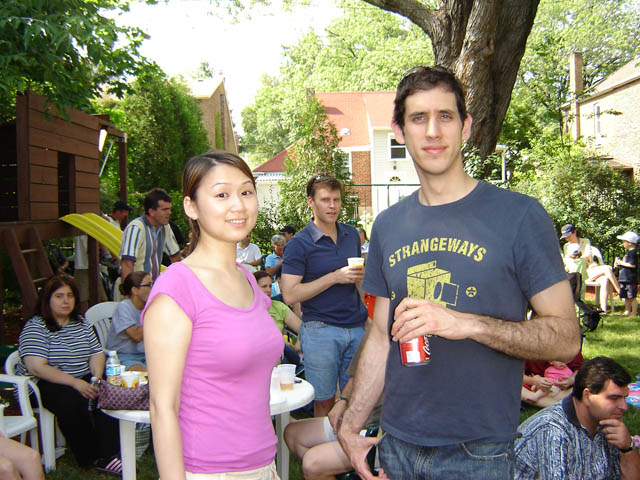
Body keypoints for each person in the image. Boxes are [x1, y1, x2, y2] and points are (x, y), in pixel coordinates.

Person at [337, 65, 580, 479]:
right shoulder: (388, 226)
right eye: (419, 118)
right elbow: (380, 335)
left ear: (465, 127)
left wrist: (467, 324)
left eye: (445, 117)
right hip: (396, 444)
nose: (433, 131)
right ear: (399, 131)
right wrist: (350, 424)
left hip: (478, 451)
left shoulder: (519, 216)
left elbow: (566, 337)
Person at [142, 151, 283, 478]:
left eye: (246, 192)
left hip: (263, 464)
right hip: (207, 470)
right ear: (191, 207)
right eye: (222, 195)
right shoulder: (177, 289)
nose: (239, 205)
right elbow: (162, 407)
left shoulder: (247, 278)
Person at [15, 274, 121, 474]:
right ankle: (91, 457)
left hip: (80, 377)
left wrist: (97, 378)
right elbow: (37, 367)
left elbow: (96, 353)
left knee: (109, 391)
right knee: (71, 400)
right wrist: (75, 383)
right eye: (59, 296)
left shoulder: (80, 323)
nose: (66, 301)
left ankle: (110, 453)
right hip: (40, 383)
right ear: (47, 299)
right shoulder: (36, 326)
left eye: (70, 296)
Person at [281, 174, 367, 418]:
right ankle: (322, 441)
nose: (332, 206)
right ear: (311, 202)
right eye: (325, 200)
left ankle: (346, 442)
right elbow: (289, 294)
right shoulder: (299, 243)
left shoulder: (351, 235)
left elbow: (358, 280)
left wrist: (368, 314)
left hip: (356, 326)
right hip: (320, 329)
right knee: (324, 400)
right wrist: (334, 277)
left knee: (355, 398)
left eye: (336, 200)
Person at [515, 356, 640, 479]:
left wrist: (627, 448)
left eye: (624, 398)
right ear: (587, 396)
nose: (624, 406)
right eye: (614, 398)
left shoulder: (607, 423)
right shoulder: (553, 431)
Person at [284, 327, 381, 480]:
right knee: (292, 433)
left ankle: (325, 469)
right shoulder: (377, 330)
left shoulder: (412, 341)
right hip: (355, 421)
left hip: (379, 433)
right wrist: (343, 401)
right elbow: (357, 373)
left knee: (313, 463)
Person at [119, 188, 181, 283]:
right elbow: (127, 263)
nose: (169, 212)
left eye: (169, 209)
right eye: (164, 209)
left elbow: (176, 257)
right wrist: (129, 290)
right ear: (151, 212)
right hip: (137, 288)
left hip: (154, 286)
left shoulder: (165, 227)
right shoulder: (136, 228)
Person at [561, 223, 620, 313]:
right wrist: (581, 259)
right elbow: (568, 260)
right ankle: (621, 293)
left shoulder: (585, 241)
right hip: (579, 271)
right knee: (607, 269)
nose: (567, 238)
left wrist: (578, 258)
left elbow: (588, 255)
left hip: (591, 269)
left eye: (568, 235)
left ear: (574, 232)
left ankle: (603, 309)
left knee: (604, 279)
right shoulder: (566, 246)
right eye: (565, 236)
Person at [105, 271, 151, 371]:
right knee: (147, 374)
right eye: (148, 285)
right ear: (135, 290)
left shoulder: (148, 307)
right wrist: (154, 315)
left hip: (146, 355)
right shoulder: (124, 307)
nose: (152, 288)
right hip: (123, 356)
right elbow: (136, 336)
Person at [614, 231, 638, 316]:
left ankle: (634, 312)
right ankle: (627, 311)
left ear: (630, 242)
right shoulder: (628, 252)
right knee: (626, 296)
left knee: (632, 297)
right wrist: (619, 264)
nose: (623, 243)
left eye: (624, 241)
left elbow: (632, 265)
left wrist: (621, 262)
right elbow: (626, 264)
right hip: (624, 278)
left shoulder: (633, 253)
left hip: (630, 279)